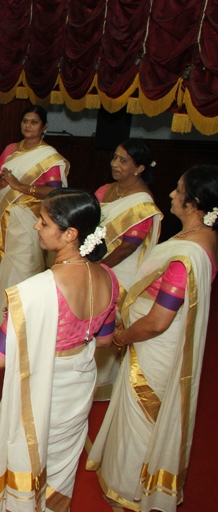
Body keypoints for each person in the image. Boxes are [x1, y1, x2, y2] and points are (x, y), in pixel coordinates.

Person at [87, 165, 218, 512]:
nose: (172, 194)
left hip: (155, 346)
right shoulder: (203, 237)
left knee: (141, 416)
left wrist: (121, 337)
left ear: (195, 202)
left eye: (179, 190)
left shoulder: (186, 256)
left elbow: (159, 321)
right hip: (160, 341)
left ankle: (128, 488)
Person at [0, 189, 119, 511]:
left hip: (45, 390)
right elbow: (104, 340)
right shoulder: (108, 277)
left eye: (43, 222)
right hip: (79, 389)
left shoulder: (35, 291)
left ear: (70, 234)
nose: (36, 227)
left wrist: (17, 322)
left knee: (29, 461)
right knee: (60, 465)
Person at [0, 105, 68, 333]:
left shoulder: (48, 157)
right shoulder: (11, 149)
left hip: (31, 221)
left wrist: (21, 187)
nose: (28, 125)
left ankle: (21, 322)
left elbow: (54, 191)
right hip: (5, 219)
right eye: (25, 121)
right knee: (2, 261)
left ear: (44, 126)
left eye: (34, 122)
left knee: (24, 265)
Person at [93, 139, 162, 400]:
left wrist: (98, 267)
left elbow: (127, 248)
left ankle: (103, 384)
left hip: (121, 271)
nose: (115, 164)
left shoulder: (142, 203)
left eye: (123, 160)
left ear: (140, 168)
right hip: (98, 262)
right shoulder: (105, 190)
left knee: (108, 319)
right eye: (115, 157)